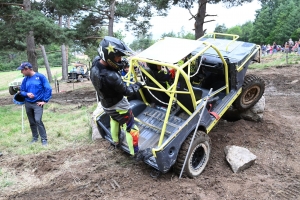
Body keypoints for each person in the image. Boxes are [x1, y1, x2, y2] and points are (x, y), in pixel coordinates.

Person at [90, 36, 146, 159]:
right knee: (132, 128)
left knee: (114, 119)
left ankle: (115, 142)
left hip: (106, 104)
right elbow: (127, 91)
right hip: (119, 105)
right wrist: (138, 84)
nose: (120, 60)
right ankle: (135, 153)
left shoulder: (95, 64)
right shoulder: (111, 76)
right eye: (117, 57)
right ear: (108, 57)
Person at [17, 62, 52, 146]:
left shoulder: (40, 77)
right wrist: (27, 94)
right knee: (32, 121)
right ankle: (35, 137)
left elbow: (48, 89)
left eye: (22, 70)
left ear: (27, 69)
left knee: (38, 120)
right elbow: (21, 91)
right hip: (28, 103)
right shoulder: (25, 79)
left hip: (38, 104)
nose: (21, 72)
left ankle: (44, 139)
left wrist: (44, 100)